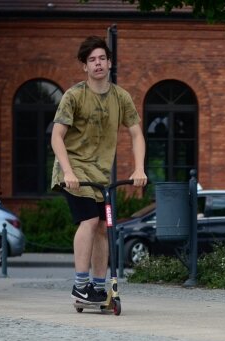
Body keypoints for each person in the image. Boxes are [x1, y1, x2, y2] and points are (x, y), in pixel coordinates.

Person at [51, 35, 148, 304]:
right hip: (72, 170)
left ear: (109, 63)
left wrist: (139, 168)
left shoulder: (121, 97)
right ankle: (80, 285)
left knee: (104, 228)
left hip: (100, 176)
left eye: (102, 59)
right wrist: (69, 172)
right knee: (90, 221)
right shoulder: (74, 96)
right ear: (85, 66)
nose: (97, 64)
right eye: (92, 60)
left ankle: (96, 286)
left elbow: (137, 134)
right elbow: (56, 136)